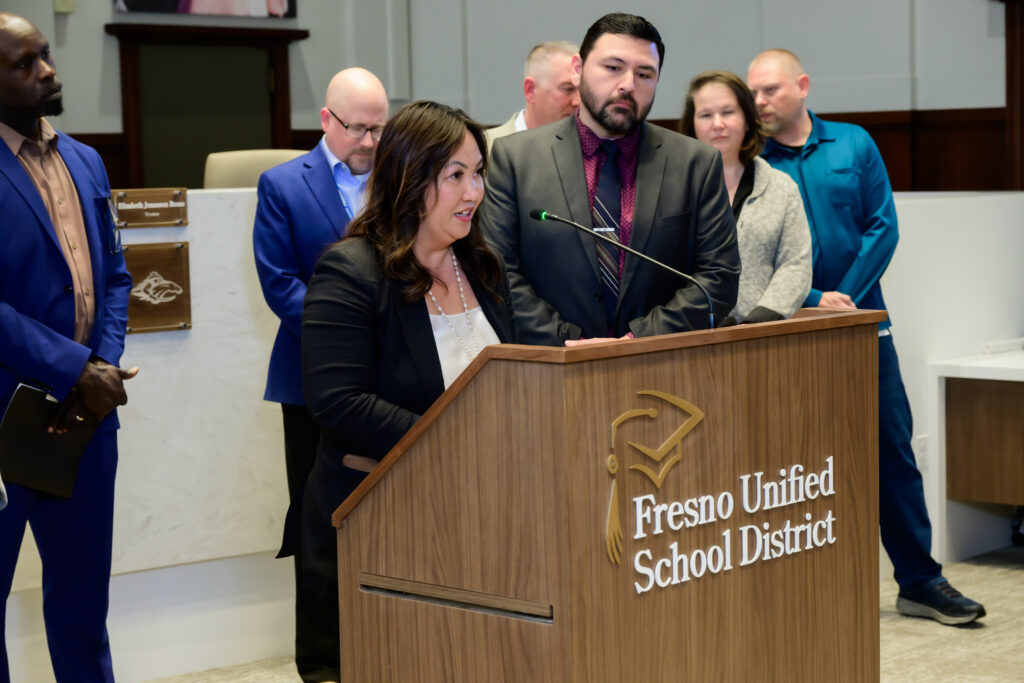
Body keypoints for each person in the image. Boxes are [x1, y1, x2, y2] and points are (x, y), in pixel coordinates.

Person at [747, 48, 985, 625]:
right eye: (753, 92)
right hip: (785, 334)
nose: (759, 102)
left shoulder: (854, 144)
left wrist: (843, 300)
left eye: (771, 90)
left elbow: (884, 226)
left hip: (865, 330)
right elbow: (749, 256)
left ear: (803, 86)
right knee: (789, 463)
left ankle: (921, 582)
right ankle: (805, 592)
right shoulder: (752, 163)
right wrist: (808, 301)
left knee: (892, 455)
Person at [299, 98, 515, 632]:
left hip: (483, 513)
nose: (474, 192)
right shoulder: (352, 270)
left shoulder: (484, 266)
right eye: (456, 175)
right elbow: (338, 402)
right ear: (410, 178)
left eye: (479, 174)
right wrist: (451, 444)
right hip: (381, 513)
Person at [0, 12, 137, 681]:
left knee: (83, 607)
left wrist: (101, 363)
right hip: (5, 417)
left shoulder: (85, 160)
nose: (47, 71)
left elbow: (116, 273)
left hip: (85, 420)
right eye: (25, 63)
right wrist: (76, 365)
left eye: (45, 56)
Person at [481, 13, 740, 346]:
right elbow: (498, 273)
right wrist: (566, 343)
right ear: (578, 68)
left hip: (661, 364)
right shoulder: (514, 158)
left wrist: (637, 340)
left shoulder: (695, 163)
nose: (628, 85)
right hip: (550, 369)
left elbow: (719, 277)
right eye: (613, 67)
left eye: (644, 74)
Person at [253, 66, 388, 683]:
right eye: (358, 128)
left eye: (379, 128)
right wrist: (351, 325)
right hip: (311, 380)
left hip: (389, 376)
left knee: (387, 518)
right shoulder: (282, 184)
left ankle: (383, 645)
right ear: (327, 121)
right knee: (316, 526)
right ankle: (323, 664)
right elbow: (279, 285)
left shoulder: (397, 177)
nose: (370, 141)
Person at [680, 70, 811, 325]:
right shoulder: (672, 189)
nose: (718, 124)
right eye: (706, 115)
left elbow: (796, 265)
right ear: (692, 125)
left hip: (764, 335)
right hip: (688, 338)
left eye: (728, 112)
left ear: (748, 118)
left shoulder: (781, 188)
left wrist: (758, 323)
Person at [485, 40, 580, 153]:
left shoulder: (592, 149)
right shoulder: (487, 149)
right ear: (530, 90)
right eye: (568, 89)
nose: (578, 101)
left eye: (583, 90)